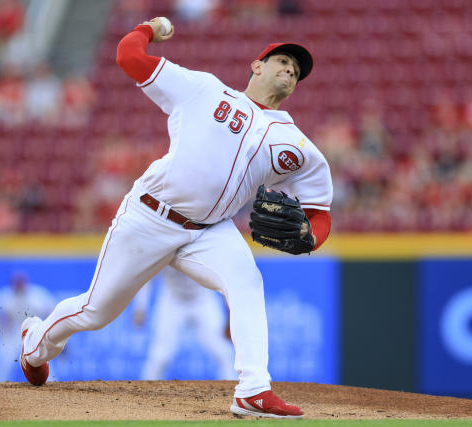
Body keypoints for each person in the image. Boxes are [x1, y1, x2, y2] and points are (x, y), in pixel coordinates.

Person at [20, 17, 332, 419]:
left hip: (209, 232)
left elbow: (319, 213)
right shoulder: (203, 89)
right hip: (150, 216)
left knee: (248, 282)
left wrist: (310, 237)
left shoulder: (297, 145)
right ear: (257, 66)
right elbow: (128, 57)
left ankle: (253, 389)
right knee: (96, 311)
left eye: (297, 70)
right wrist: (149, 27)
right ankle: (36, 341)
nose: (290, 70)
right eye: (283, 61)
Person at [133, 266, 235, 381]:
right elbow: (147, 277)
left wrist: (230, 310)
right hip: (172, 300)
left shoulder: (202, 249)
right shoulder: (164, 249)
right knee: (161, 356)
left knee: (223, 352)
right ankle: (146, 393)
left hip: (202, 299)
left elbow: (222, 277)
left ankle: (234, 391)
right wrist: (140, 307)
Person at [0, 271, 55, 382]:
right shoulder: (5, 296)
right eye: (16, 284)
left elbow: (50, 313)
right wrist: (2, 334)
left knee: (44, 361)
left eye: (21, 283)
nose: (19, 286)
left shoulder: (37, 295)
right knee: (3, 362)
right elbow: (2, 319)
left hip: (33, 332)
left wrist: (48, 333)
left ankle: (52, 382)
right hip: (14, 333)